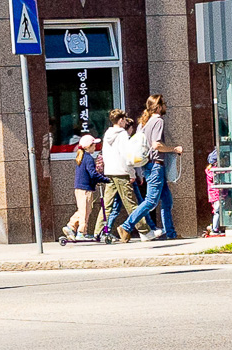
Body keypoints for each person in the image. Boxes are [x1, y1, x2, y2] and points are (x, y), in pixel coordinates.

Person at [119, 94, 183, 242]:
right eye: (164, 104)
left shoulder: (144, 123)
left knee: (167, 200)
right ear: (158, 107)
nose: (166, 106)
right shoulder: (158, 121)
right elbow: (156, 145)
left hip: (148, 165)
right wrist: (174, 149)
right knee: (151, 200)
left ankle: (171, 233)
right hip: (156, 165)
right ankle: (126, 226)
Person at [100, 110, 141, 240]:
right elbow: (126, 155)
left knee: (107, 205)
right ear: (121, 120)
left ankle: (98, 232)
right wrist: (132, 173)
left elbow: (105, 153)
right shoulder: (122, 134)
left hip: (110, 171)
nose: (125, 122)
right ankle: (145, 230)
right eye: (124, 119)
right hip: (121, 172)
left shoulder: (107, 133)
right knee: (131, 204)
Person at [64, 134, 108, 241]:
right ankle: (81, 232)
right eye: (94, 145)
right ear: (88, 146)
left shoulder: (82, 157)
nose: (95, 147)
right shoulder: (88, 158)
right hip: (85, 189)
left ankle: (71, 226)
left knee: (84, 210)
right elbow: (92, 174)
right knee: (84, 211)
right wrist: (104, 179)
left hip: (80, 187)